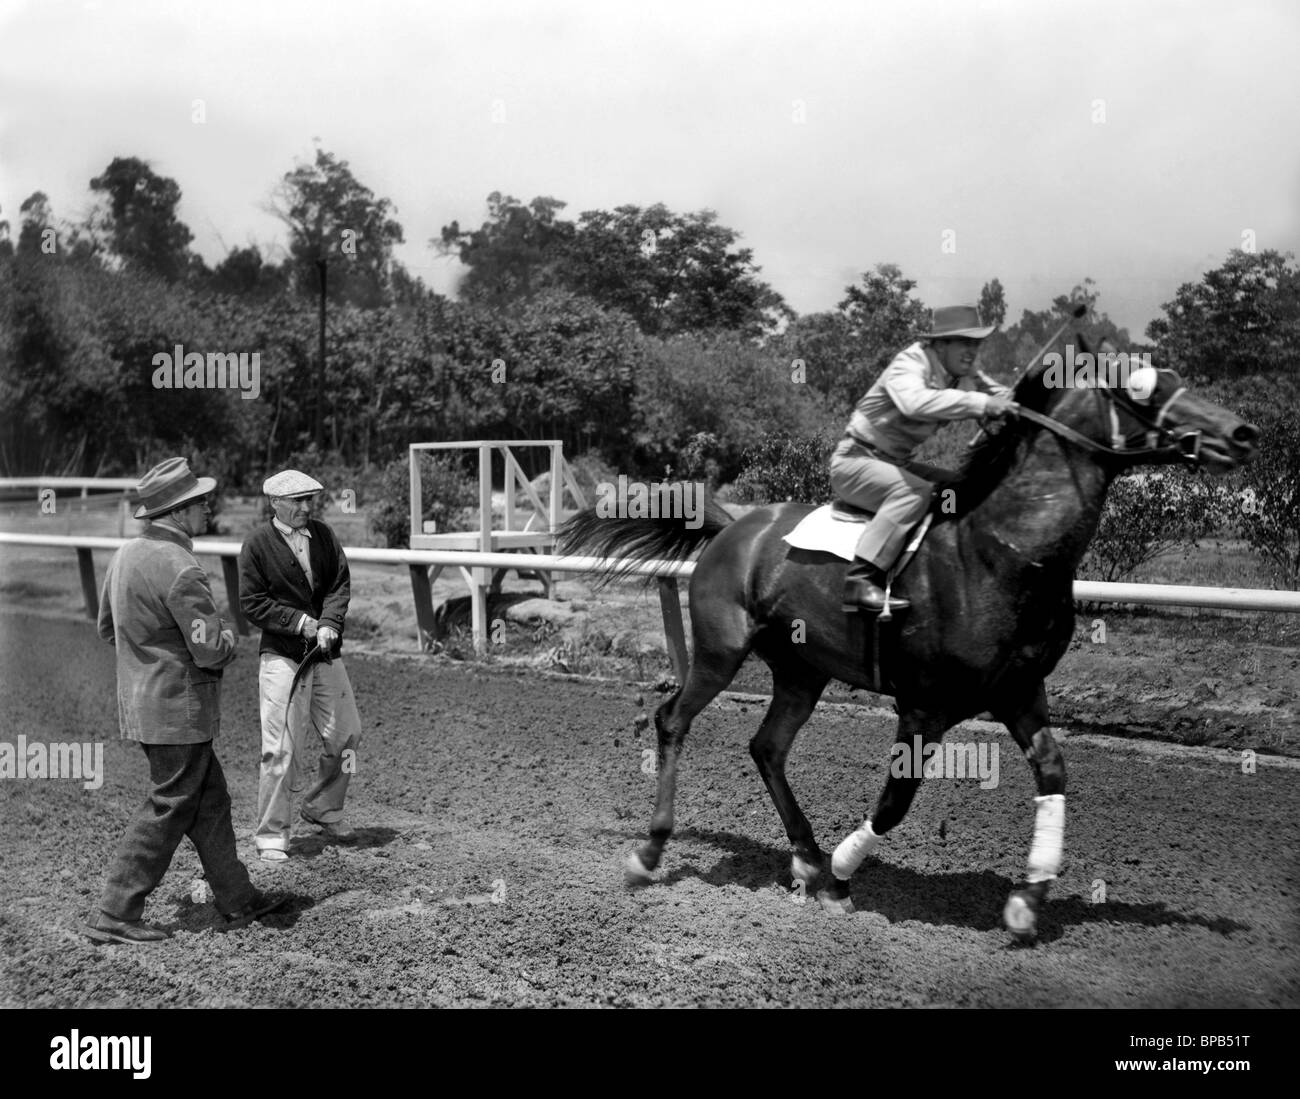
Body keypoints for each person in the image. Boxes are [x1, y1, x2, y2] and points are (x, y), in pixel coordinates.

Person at [87, 457, 285, 945]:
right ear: (177, 512)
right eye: (200, 501)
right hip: (180, 710)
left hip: (141, 704)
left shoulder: (125, 555)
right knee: (170, 804)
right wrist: (230, 642)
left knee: (209, 801)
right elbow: (208, 648)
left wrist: (148, 656)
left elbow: (106, 629)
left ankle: (238, 899)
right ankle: (115, 910)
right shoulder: (180, 567)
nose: (207, 507)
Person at [832, 304, 1019, 613]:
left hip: (895, 463)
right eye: (965, 342)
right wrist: (981, 403)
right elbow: (913, 403)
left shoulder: (965, 372)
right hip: (855, 461)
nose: (973, 351)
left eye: (976, 343)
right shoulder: (910, 362)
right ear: (940, 343)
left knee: (963, 488)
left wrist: (1037, 401)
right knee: (912, 492)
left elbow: (1003, 397)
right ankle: (859, 581)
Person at [239, 469, 362, 862]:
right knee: (280, 750)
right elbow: (252, 603)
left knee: (347, 736)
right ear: (274, 502)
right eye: (296, 501)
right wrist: (301, 623)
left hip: (325, 654)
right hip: (282, 657)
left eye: (309, 500)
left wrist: (328, 623)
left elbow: (340, 584)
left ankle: (324, 806)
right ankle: (272, 834)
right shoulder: (257, 545)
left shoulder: (324, 536)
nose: (305, 508)